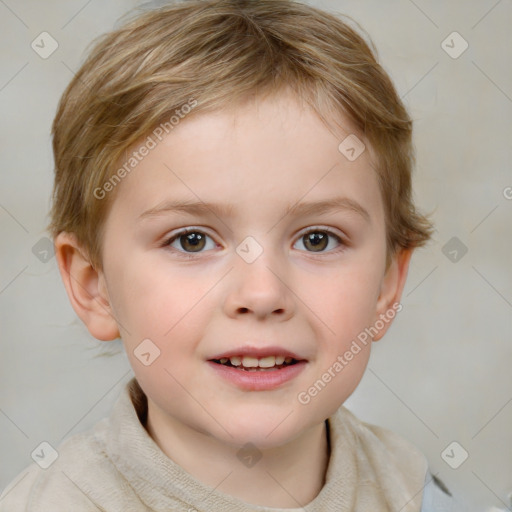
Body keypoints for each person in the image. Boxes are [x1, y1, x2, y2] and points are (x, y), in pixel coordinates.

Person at [0, 0, 457, 510]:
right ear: (94, 285)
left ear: (387, 285)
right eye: (192, 240)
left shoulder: (417, 492)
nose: (261, 294)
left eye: (317, 239)